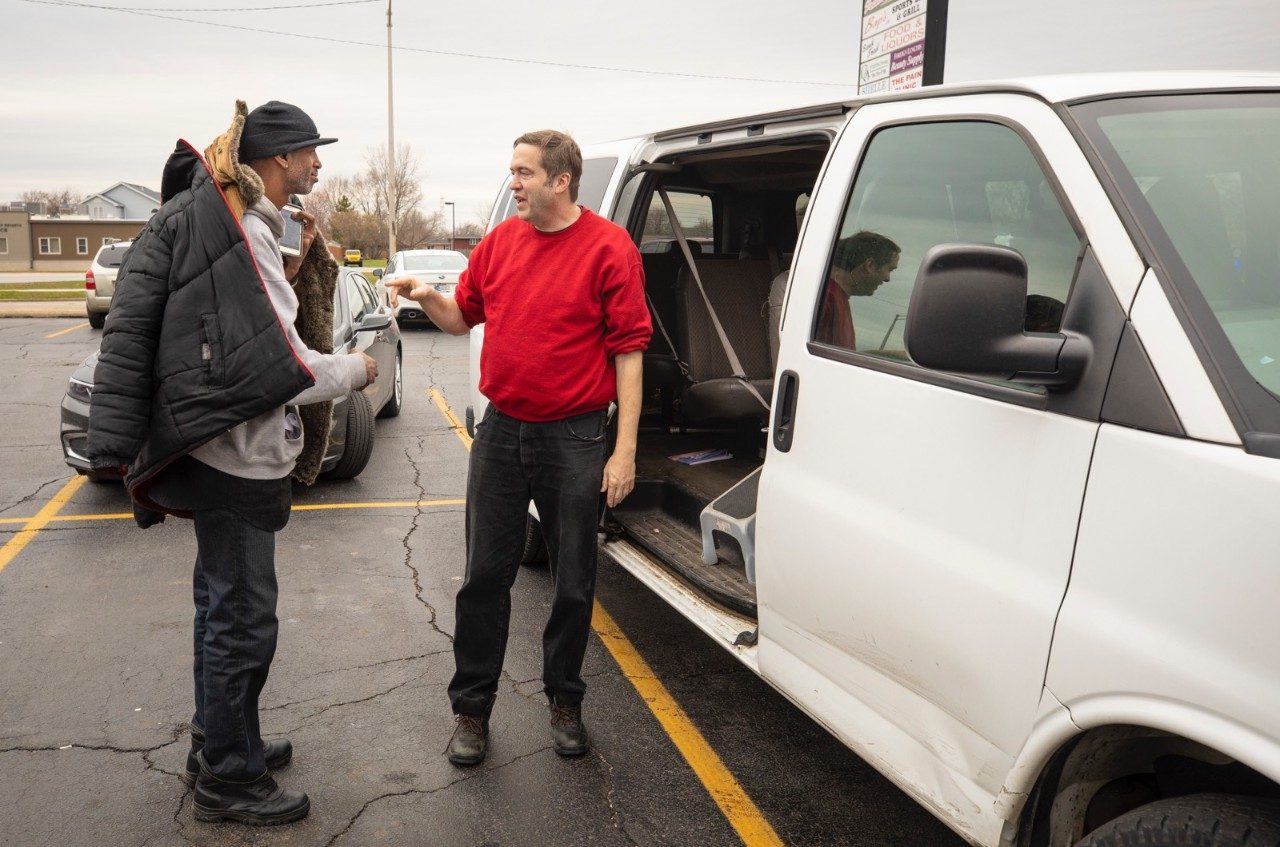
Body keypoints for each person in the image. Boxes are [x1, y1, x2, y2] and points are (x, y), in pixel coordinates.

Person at [87, 100, 376, 826]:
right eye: (311, 153)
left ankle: (222, 739)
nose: (318, 165)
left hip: (219, 458)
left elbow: (241, 327)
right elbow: (288, 367)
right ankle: (230, 778)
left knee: (219, 611)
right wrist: (360, 368)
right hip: (238, 465)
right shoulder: (242, 233)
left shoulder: (233, 225)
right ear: (279, 159)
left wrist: (295, 265)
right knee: (242, 622)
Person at [384, 129, 651, 765]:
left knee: (573, 582)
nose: (514, 182)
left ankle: (565, 702)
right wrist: (430, 297)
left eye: (525, 172)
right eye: (512, 170)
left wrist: (625, 452)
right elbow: (461, 317)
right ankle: (471, 712)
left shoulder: (610, 249)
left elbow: (630, 353)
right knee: (483, 578)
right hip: (501, 432)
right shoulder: (500, 242)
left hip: (576, 435)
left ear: (561, 181)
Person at [810, 230, 900, 349]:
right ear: (870, 265)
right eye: (890, 269)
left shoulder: (835, 296)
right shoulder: (824, 297)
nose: (887, 279)